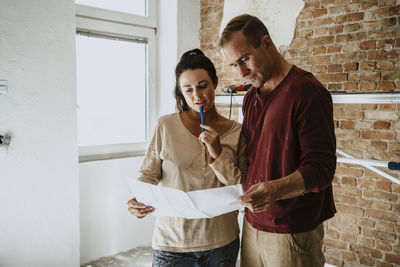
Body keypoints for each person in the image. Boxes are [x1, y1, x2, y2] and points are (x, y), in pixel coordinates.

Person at [219, 14, 337, 267]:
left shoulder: (307, 92)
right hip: (252, 225)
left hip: (293, 230)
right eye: (233, 65)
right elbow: (255, 160)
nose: (241, 72)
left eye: (245, 59)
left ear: (267, 44)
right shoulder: (250, 98)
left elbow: (322, 169)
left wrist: (275, 190)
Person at [127, 48, 248, 267]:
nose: (197, 96)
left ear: (215, 83)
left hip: (221, 242)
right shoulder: (165, 125)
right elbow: (148, 174)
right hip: (172, 243)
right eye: (188, 89)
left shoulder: (236, 131)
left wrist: (217, 152)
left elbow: (243, 187)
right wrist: (138, 200)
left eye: (203, 86)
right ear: (180, 92)